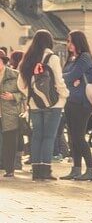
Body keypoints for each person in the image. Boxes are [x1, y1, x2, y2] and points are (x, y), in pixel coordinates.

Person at [16, 30, 69, 180]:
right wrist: (64, 95)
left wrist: (31, 94)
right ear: (49, 41)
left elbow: (20, 84)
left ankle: (36, 171)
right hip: (54, 103)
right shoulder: (52, 58)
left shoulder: (27, 58)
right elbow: (59, 81)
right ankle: (45, 170)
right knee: (49, 137)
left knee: (37, 136)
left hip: (34, 104)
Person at [61, 31, 92, 181]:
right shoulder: (72, 58)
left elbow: (70, 76)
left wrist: (67, 78)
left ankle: (90, 169)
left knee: (79, 137)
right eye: (67, 41)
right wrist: (70, 79)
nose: (68, 44)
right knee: (72, 137)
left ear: (78, 42)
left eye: (70, 41)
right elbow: (68, 77)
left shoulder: (85, 58)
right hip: (70, 101)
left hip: (82, 103)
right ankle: (76, 169)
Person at [0, 52, 24, 177]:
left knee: (10, 142)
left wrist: (13, 96)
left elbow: (24, 94)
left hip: (10, 114)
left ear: (3, 61)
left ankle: (10, 169)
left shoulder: (15, 75)